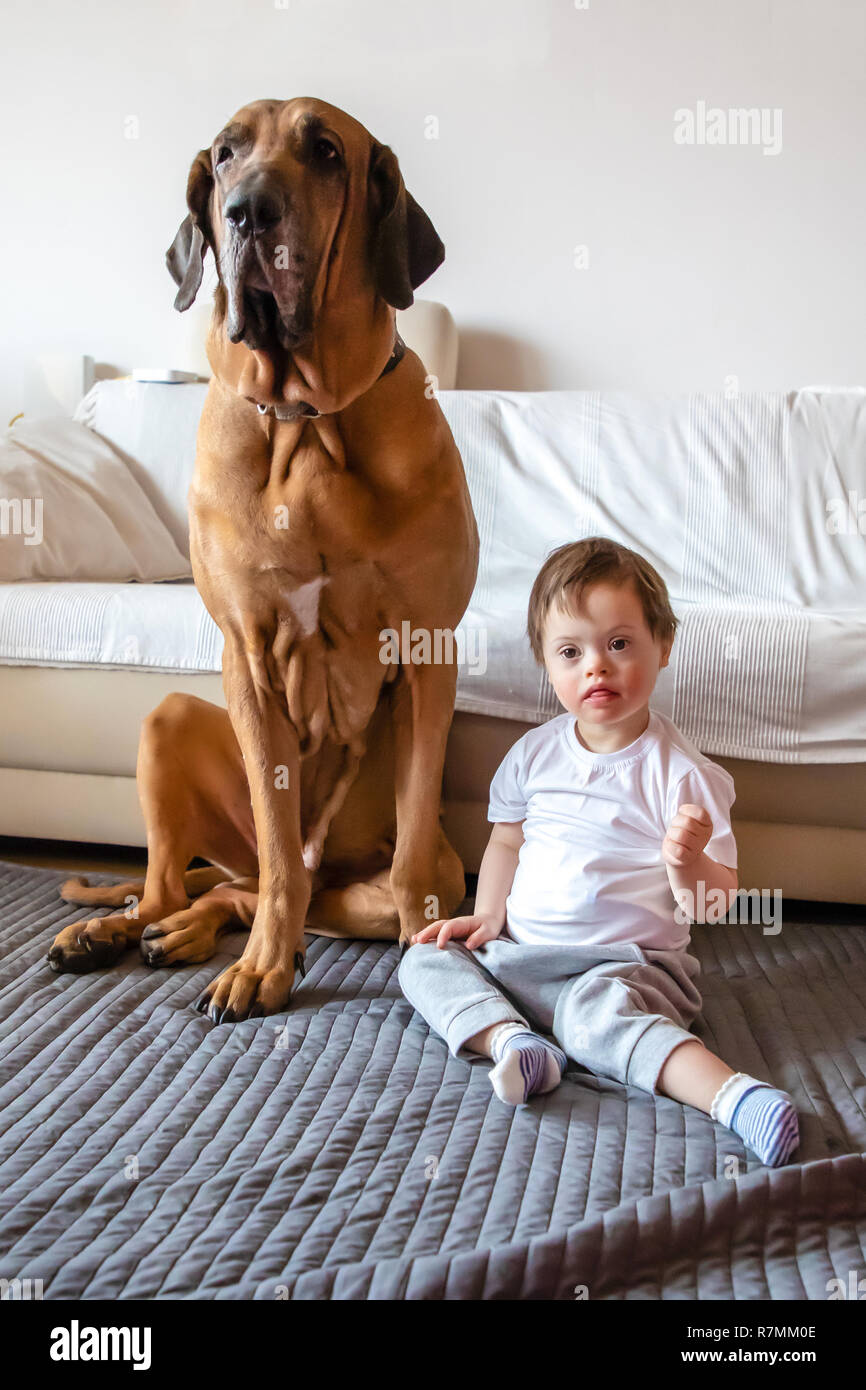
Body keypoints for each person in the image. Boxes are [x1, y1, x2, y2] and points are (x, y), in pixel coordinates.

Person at [398, 537, 799, 1167]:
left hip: (626, 969)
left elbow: (716, 902)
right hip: (523, 955)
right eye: (571, 651)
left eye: (618, 643)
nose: (596, 666)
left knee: (593, 1015)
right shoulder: (534, 754)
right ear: (548, 666)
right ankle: (515, 1042)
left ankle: (735, 1098)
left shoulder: (680, 774)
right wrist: (489, 914)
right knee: (424, 958)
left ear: (662, 647)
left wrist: (686, 861)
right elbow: (507, 839)